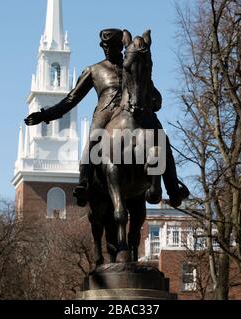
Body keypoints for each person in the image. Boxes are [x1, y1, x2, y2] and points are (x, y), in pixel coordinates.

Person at [25, 28, 189, 207]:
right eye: (104, 46)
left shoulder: (133, 63)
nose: (107, 49)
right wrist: (45, 115)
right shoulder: (94, 70)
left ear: (121, 46)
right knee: (94, 140)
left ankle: (173, 189)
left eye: (112, 46)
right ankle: (84, 183)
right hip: (105, 113)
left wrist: (153, 100)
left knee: (161, 139)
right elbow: (72, 99)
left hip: (134, 111)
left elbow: (151, 91)